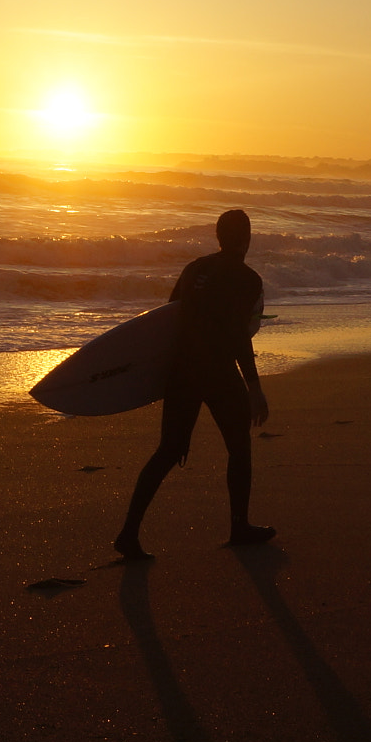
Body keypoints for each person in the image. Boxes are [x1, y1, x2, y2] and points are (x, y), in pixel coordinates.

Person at [115, 208, 275, 558]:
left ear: (218, 237)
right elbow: (237, 335)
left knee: (169, 451)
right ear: (247, 238)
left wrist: (161, 373)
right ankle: (239, 526)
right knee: (239, 449)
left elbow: (169, 317)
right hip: (217, 371)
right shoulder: (247, 279)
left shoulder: (194, 269)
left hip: (183, 369)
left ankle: (128, 532)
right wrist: (254, 387)